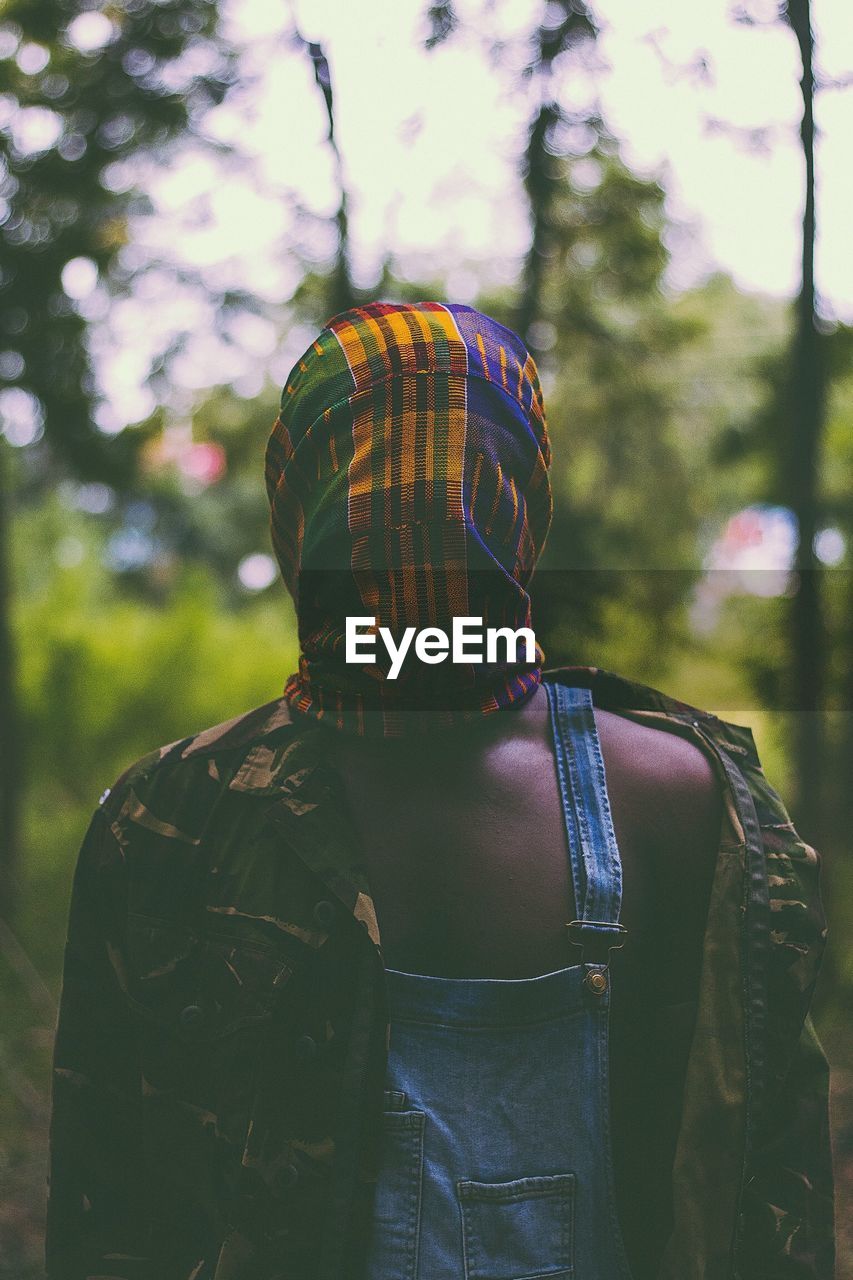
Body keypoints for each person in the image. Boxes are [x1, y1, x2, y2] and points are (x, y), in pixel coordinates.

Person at [47, 302, 834, 1280]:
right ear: (526, 498)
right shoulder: (675, 798)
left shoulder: (172, 813)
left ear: (296, 507)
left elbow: (757, 1200)